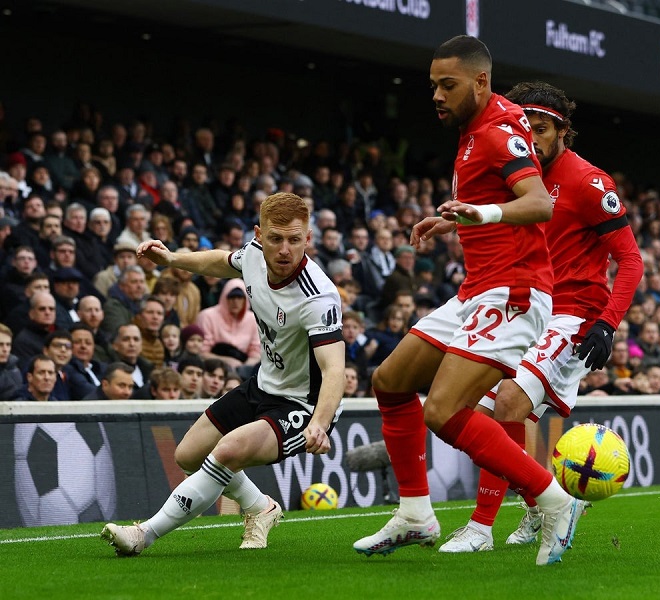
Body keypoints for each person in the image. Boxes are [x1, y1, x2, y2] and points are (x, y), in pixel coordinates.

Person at [352, 37, 580, 566]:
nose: (436, 94)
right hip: (478, 288)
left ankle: (553, 501)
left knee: (443, 408)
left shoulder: (498, 133)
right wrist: (457, 215)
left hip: (514, 291)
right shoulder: (477, 127)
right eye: (432, 84)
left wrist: (485, 215)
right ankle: (414, 513)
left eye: (447, 85)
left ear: (480, 81)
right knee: (390, 380)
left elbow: (539, 203)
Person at [438, 81, 643, 552]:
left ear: (563, 132)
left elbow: (630, 260)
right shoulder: (516, 174)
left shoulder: (591, 183)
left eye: (543, 128)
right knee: (479, 411)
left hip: (573, 314)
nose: (532, 136)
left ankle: (480, 528)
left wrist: (608, 323)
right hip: (526, 303)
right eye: (525, 126)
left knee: (507, 404)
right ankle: (540, 505)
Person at [101, 191, 345, 556]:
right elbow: (220, 261)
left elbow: (335, 370)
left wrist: (320, 423)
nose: (284, 250)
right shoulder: (253, 256)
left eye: (294, 240)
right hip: (264, 386)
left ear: (308, 238)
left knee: (226, 450)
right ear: (259, 235)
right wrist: (171, 259)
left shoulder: (317, 297)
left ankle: (143, 534)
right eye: (275, 238)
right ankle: (261, 507)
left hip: (304, 404)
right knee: (187, 455)